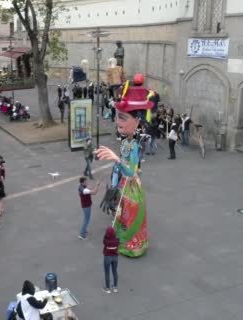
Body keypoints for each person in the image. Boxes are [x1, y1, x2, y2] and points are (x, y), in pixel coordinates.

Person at [95, 73, 151, 257]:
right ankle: (123, 239)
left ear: (137, 122)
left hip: (131, 186)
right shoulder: (125, 143)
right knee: (121, 213)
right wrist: (114, 174)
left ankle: (134, 243)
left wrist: (115, 159)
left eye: (124, 118)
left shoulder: (134, 146)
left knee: (130, 214)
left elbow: (130, 171)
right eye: (119, 117)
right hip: (122, 185)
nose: (118, 122)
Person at [103, 226, 120, 294]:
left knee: (107, 273)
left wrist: (106, 234)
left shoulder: (106, 241)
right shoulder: (117, 241)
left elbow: (104, 238)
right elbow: (117, 237)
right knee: (115, 272)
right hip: (115, 257)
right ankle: (115, 287)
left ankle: (108, 288)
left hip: (107, 257)